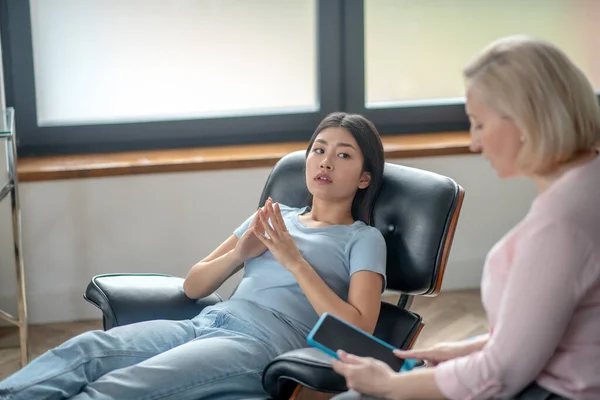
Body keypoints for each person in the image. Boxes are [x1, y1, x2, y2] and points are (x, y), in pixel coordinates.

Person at [0, 112, 388, 400]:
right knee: (88, 350)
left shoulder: (363, 239)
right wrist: (240, 253)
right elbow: (194, 284)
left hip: (264, 344)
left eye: (343, 156)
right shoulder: (273, 217)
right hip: (209, 322)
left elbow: (358, 331)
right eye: (318, 150)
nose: (325, 162)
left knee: (119, 388)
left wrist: (295, 263)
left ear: (364, 177)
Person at [331, 36, 600, 400]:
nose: (474, 143)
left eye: (479, 124)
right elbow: (556, 328)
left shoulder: (560, 225)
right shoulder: (588, 187)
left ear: (525, 120)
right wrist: (463, 350)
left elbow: (500, 373)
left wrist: (390, 385)